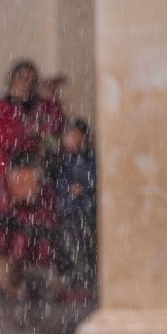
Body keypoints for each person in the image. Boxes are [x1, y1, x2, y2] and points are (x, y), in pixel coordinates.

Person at [0, 60, 65, 299]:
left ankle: (13, 282)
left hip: (35, 178)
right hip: (8, 179)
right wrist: (34, 135)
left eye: (30, 79)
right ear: (11, 80)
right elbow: (5, 139)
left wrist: (51, 98)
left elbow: (55, 128)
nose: (25, 84)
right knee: (11, 237)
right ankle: (7, 280)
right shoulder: (1, 107)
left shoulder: (41, 106)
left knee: (30, 235)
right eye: (21, 78)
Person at [0, 153, 58, 300]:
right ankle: (11, 286)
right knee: (16, 260)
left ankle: (12, 286)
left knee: (17, 260)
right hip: (18, 228)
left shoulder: (9, 184)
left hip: (20, 227)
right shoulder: (7, 186)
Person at [54, 118, 98, 299]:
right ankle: (73, 282)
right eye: (67, 136)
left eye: (73, 135)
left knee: (84, 246)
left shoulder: (89, 159)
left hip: (84, 209)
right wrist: (66, 189)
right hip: (67, 210)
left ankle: (85, 282)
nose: (69, 140)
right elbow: (57, 181)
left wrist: (85, 188)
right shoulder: (62, 160)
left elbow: (94, 179)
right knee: (69, 246)